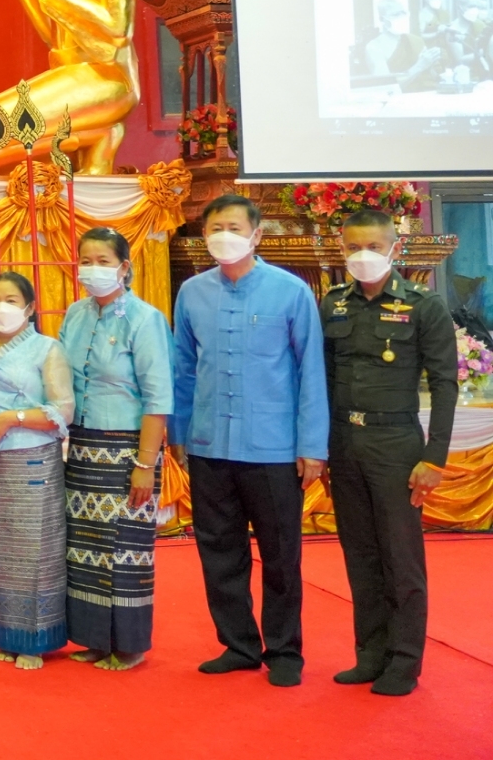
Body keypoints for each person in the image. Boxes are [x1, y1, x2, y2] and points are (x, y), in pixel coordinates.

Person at [172, 192, 328, 687]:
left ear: (257, 234)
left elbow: (310, 372)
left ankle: (284, 650)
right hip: (209, 446)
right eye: (215, 227)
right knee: (219, 551)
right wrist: (179, 433)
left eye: (235, 227)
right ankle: (238, 644)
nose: (225, 236)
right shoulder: (192, 292)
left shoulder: (290, 291)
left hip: (274, 448)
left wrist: (313, 446)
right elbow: (182, 370)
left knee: (281, 555)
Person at [320, 207, 459, 696]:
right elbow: (323, 380)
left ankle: (404, 660)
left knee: (401, 558)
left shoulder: (424, 305)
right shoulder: (334, 303)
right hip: (344, 442)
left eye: (373, 247)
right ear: (341, 248)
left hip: (397, 445)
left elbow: (445, 384)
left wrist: (435, 457)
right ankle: (370, 654)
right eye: (353, 247)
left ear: (393, 248)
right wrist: (321, 448)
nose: (363, 256)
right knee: (360, 555)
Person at [58, 226, 172, 670]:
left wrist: (146, 463)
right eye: (86, 259)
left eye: (103, 261)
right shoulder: (75, 314)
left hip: (128, 449)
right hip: (83, 447)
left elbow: (158, 398)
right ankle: (92, 638)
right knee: (85, 547)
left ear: (125, 267)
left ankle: (128, 644)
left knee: (124, 548)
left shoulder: (145, 320)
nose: (93, 269)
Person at [0, 271, 73, 669]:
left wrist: (14, 417)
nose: (1, 307)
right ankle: (5, 632)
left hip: (33, 461)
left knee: (37, 552)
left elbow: (63, 411)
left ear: (29, 308)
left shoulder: (48, 349)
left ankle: (36, 639)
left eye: (12, 300)